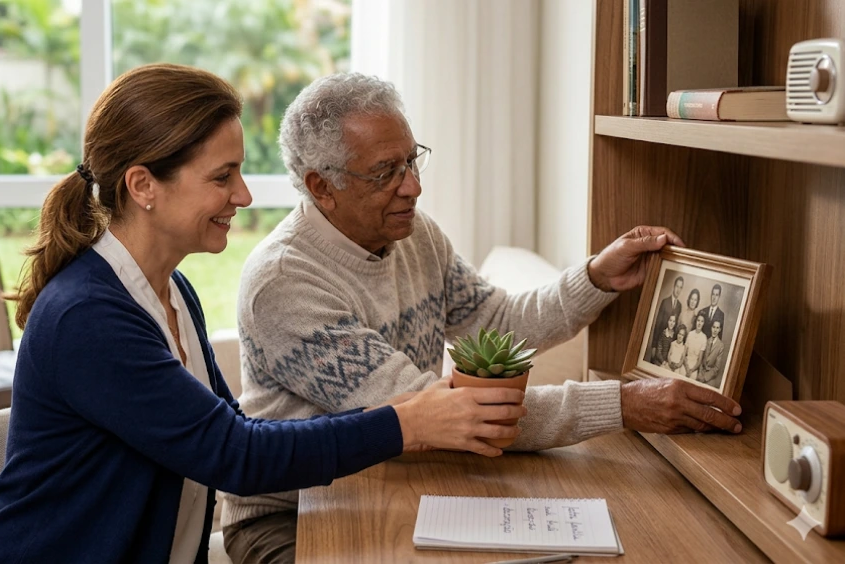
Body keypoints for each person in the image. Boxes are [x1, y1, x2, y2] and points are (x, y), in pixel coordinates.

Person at [0, 64, 528, 564]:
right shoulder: (88, 318)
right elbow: (234, 455)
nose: (244, 196)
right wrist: (406, 422)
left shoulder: (170, 291)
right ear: (143, 186)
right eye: (222, 176)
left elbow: (234, 431)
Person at [220, 72, 744, 563]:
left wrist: (597, 277)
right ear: (320, 187)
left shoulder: (414, 233)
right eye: (386, 173)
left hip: (392, 484)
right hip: (289, 516)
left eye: (412, 161)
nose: (413, 187)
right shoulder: (285, 283)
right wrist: (623, 404)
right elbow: (440, 412)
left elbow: (500, 324)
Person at [650, 276, 684, 357]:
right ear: (674, 286)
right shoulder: (665, 302)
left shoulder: (679, 305)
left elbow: (675, 327)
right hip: (660, 342)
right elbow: (657, 324)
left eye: (680, 287)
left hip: (670, 344)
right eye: (677, 286)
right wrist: (654, 346)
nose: (678, 290)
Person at [698, 320, 727, 386]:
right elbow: (701, 360)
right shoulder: (706, 340)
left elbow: (716, 368)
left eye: (717, 328)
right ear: (711, 328)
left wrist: (705, 378)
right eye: (714, 327)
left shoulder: (720, 346)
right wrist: (700, 373)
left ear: (719, 330)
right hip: (701, 373)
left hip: (710, 377)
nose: (715, 330)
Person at [684, 314, 709, 380]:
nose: (699, 323)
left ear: (704, 323)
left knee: (691, 379)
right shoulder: (690, 334)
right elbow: (684, 354)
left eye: (702, 321)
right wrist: (687, 368)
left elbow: (699, 360)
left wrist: (691, 370)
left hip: (695, 366)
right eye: (698, 320)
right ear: (696, 321)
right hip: (686, 363)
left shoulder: (704, 338)